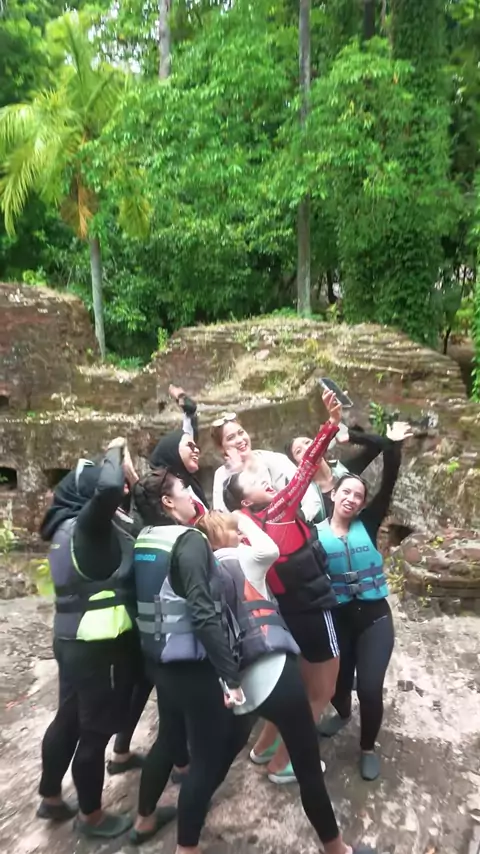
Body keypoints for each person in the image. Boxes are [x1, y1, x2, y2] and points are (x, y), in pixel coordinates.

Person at [197, 509, 376, 854]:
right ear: (221, 535)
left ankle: (192, 820)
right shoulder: (243, 558)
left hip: (238, 680)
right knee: (309, 764)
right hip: (272, 668)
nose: (239, 532)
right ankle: (337, 849)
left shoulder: (201, 571)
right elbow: (270, 550)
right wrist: (242, 517)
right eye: (231, 529)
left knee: (221, 755)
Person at [222, 390, 341, 783]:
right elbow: (306, 469)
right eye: (254, 482)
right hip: (313, 608)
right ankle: (283, 763)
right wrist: (331, 425)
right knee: (322, 691)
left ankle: (262, 749)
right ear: (245, 502)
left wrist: (243, 466)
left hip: (288, 613)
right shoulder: (278, 512)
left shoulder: (247, 530)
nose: (265, 481)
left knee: (303, 686)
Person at [129, 467, 250, 851]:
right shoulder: (190, 540)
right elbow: (203, 612)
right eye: (184, 489)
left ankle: (145, 819)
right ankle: (187, 847)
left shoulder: (145, 538)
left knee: (168, 738)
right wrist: (230, 676)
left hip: (160, 663)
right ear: (168, 501)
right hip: (195, 668)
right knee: (208, 757)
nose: (191, 495)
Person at [37, 438, 141, 839]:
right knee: (95, 733)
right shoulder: (88, 525)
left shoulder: (62, 526)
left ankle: (50, 796)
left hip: (70, 640)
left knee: (67, 719)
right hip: (99, 648)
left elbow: (119, 497)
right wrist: (115, 449)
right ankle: (92, 815)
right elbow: (111, 487)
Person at [316, 422, 412, 781]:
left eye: (359, 495)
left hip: (375, 618)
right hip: (338, 620)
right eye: (347, 491)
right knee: (337, 690)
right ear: (333, 494)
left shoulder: (368, 523)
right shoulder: (314, 532)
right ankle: (342, 715)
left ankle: (368, 747)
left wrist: (387, 443)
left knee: (370, 689)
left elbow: (389, 475)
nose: (353, 498)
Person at [211, 412, 324, 520]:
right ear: (221, 448)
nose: (240, 440)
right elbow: (221, 519)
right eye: (231, 438)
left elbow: (312, 498)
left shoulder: (275, 459)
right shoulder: (222, 476)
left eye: (241, 433)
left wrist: (297, 521)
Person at [285, 424, 406, 523]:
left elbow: (382, 445)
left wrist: (351, 436)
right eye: (298, 451)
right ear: (296, 465)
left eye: (307, 442)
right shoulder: (306, 497)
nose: (307, 449)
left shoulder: (344, 469)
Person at [149, 388, 208, 516]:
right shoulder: (162, 493)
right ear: (174, 452)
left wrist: (182, 397)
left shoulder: (187, 481)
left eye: (196, 447)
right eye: (190, 446)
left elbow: (190, 417)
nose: (197, 450)